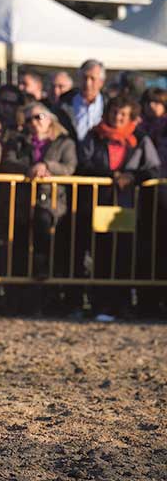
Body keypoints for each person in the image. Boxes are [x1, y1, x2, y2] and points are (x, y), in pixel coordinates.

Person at [77, 95, 160, 320]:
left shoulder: (139, 139)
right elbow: (83, 166)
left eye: (123, 114)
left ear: (131, 117)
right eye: (114, 112)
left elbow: (153, 169)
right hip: (99, 202)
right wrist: (109, 176)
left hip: (129, 206)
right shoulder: (94, 136)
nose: (117, 118)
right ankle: (100, 305)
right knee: (100, 254)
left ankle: (121, 305)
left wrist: (132, 177)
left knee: (125, 255)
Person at [0, 102, 77, 288]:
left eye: (38, 117)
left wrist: (47, 166)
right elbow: (8, 162)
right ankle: (17, 292)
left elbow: (69, 167)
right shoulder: (17, 141)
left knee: (46, 240)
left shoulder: (64, 142)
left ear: (50, 119)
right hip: (22, 202)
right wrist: (30, 170)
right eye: (28, 119)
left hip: (52, 202)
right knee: (19, 246)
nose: (33, 122)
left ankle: (46, 286)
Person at [56, 59, 105, 142]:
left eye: (92, 79)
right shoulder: (64, 104)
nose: (88, 83)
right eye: (85, 78)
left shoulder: (109, 105)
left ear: (101, 82)